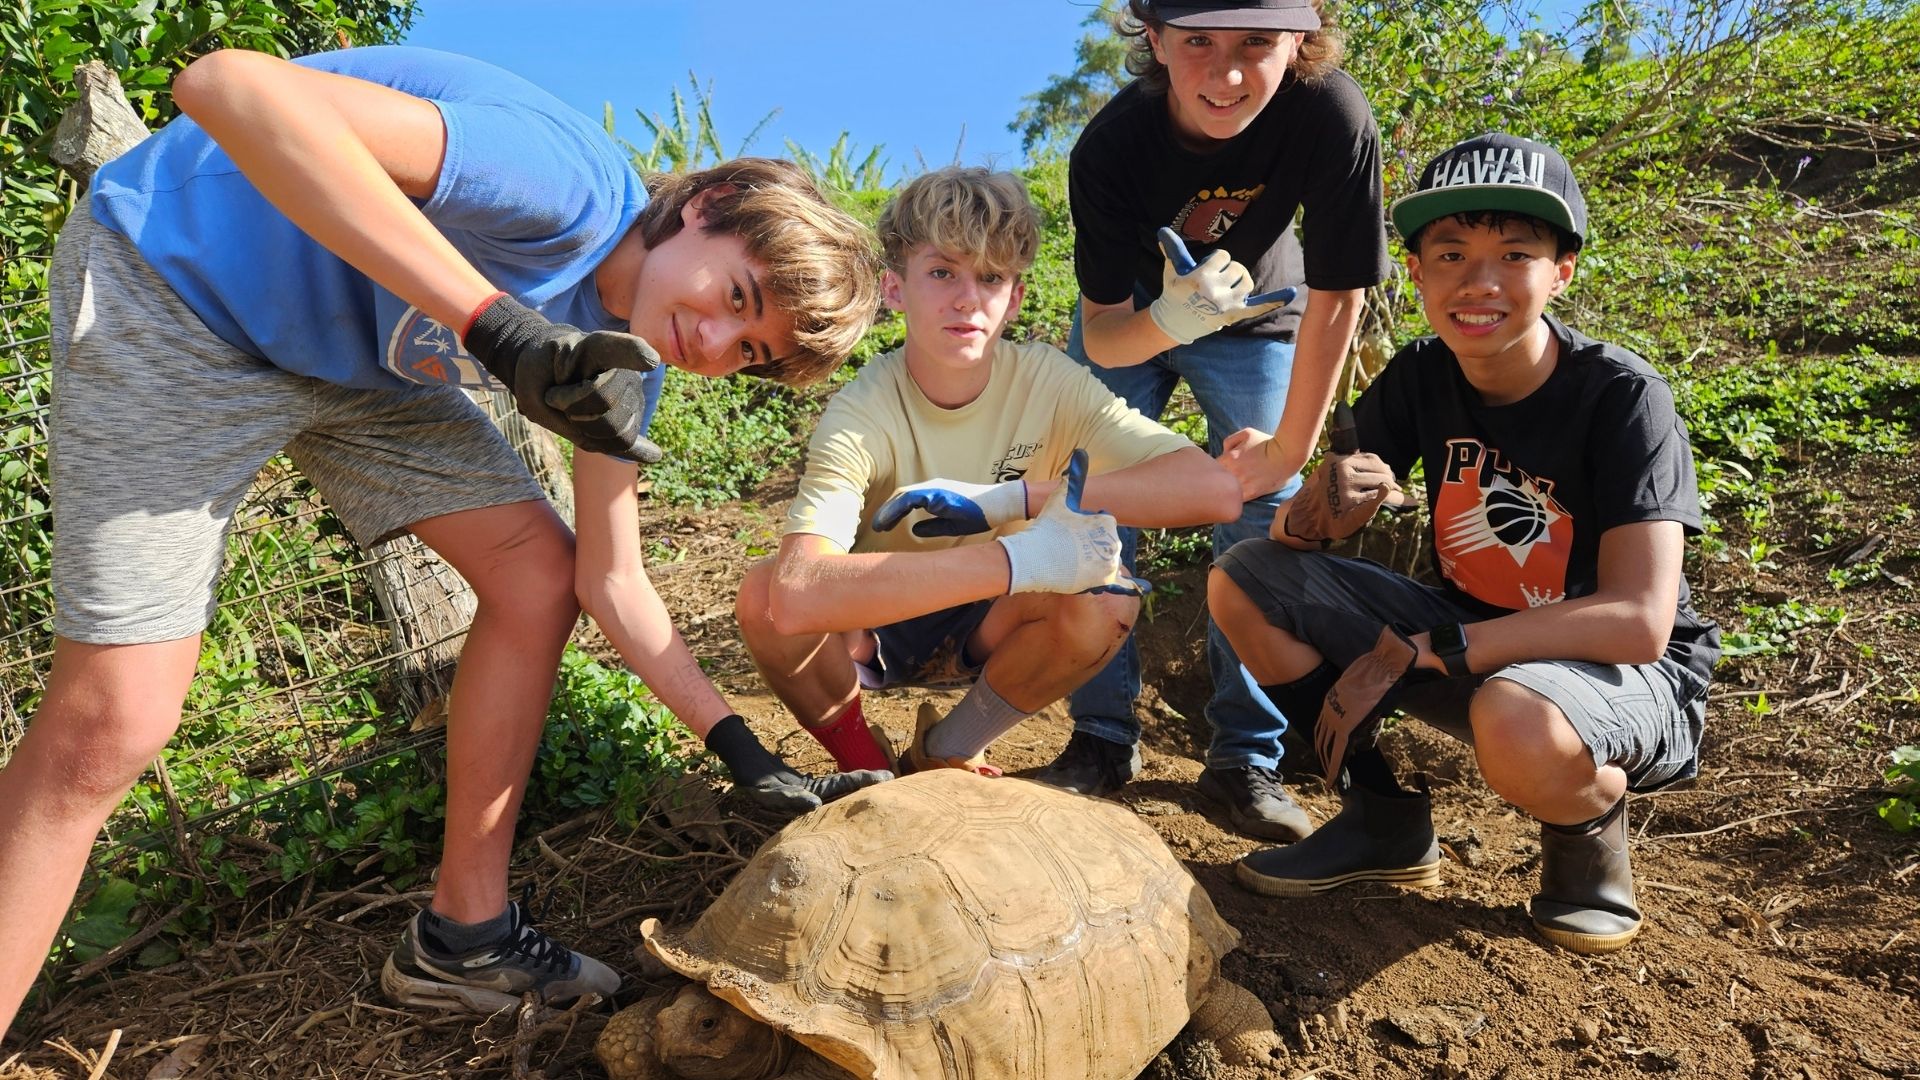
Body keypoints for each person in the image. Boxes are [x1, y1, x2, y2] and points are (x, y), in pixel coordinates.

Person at [0, 45, 888, 1034]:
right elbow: (223, 86)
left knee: (538, 576)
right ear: (705, 204)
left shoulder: (627, 367)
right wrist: (493, 320)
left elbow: (613, 578)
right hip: (180, 286)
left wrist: (739, 749)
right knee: (113, 723)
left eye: (751, 352)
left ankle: (463, 935)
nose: (718, 343)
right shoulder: (560, 186)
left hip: (355, 364)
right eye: (738, 296)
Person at [1209, 132, 1720, 953]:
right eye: (1449, 253)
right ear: (1415, 272)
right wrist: (1330, 505)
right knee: (1246, 578)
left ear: (1562, 271)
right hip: (1472, 650)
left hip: (1627, 679)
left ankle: (1587, 842)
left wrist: (1437, 647)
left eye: (1515, 254)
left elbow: (1639, 620)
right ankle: (1383, 825)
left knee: (1513, 715)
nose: (1478, 282)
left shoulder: (1623, 398)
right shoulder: (1420, 375)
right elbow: (1291, 539)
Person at [735, 166, 1242, 779]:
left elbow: (1214, 491)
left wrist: (1015, 499)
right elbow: (794, 595)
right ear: (894, 289)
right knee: (763, 593)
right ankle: (870, 772)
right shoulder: (864, 407)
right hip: (871, 625)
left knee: (1108, 597)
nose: (967, 298)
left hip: (993, 621)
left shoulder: (1050, 383)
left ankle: (948, 748)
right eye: (942, 271)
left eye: (992, 277)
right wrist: (1020, 561)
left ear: (1016, 298)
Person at [1046, 0, 1393, 840]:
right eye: (1197, 40)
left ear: (1300, 43)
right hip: (1137, 315)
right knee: (1088, 501)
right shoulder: (1113, 146)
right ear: (1155, 39)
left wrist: (1289, 453)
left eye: (1257, 44)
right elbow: (1101, 334)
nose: (1227, 73)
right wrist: (1171, 317)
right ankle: (1100, 736)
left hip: (1264, 317)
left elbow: (1340, 292)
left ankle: (1246, 759)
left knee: (1264, 519)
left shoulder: (1330, 113)